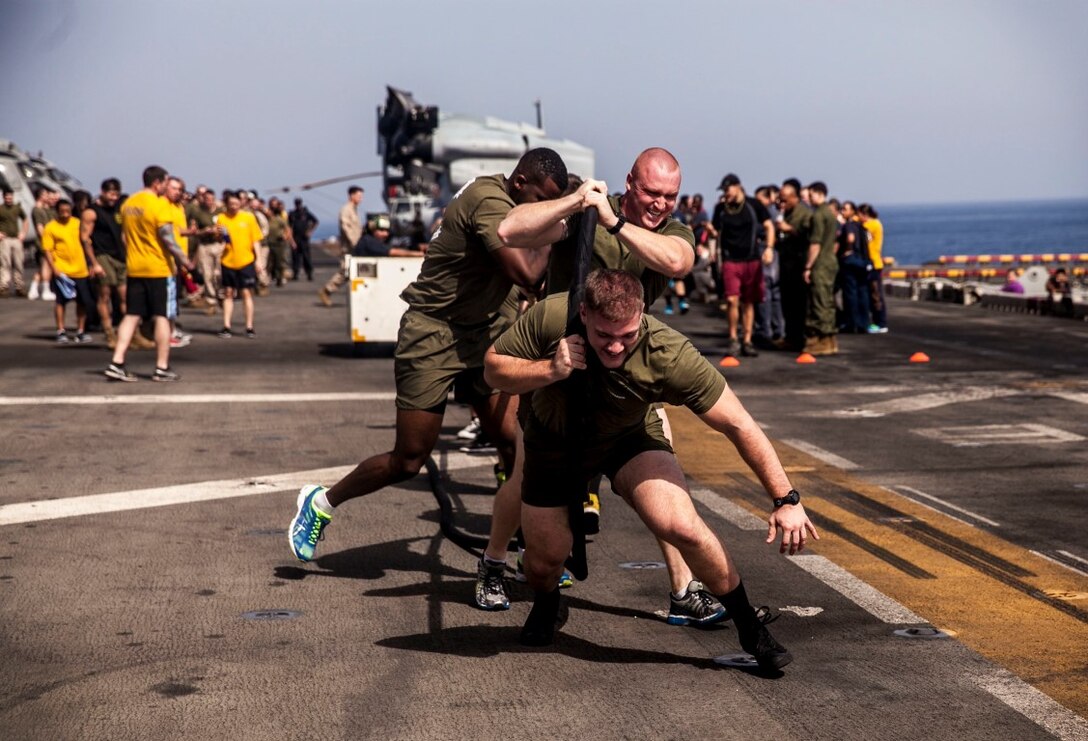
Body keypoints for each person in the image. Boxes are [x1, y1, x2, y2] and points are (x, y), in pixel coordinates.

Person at [484, 269, 816, 667]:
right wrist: (550, 369)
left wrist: (785, 499)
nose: (615, 347)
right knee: (543, 564)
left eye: (626, 335)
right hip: (553, 444)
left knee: (682, 525)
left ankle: (749, 625)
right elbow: (492, 368)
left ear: (641, 313)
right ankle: (547, 600)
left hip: (627, 439)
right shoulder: (554, 316)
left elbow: (738, 423)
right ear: (584, 313)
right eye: (604, 335)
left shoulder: (668, 352)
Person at [476, 148, 730, 627]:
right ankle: (492, 562)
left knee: (662, 470)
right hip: (563, 362)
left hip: (624, 367)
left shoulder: (668, 231)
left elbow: (678, 263)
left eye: (670, 196)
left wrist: (617, 224)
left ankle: (682, 588)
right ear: (630, 182)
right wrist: (577, 203)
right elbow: (509, 231)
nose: (660, 203)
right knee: (526, 470)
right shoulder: (587, 213)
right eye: (651, 192)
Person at [288, 148, 569, 564]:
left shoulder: (513, 198)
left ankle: (529, 549)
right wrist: (561, 223)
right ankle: (321, 502)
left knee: (513, 444)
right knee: (408, 460)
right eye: (540, 200)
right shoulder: (489, 201)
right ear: (519, 183)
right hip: (433, 333)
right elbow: (527, 274)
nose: (543, 209)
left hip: (485, 331)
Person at [104, 165, 194, 383]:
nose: (166, 187)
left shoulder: (129, 204)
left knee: (132, 315)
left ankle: (117, 361)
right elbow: (168, 238)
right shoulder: (158, 205)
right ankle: (161, 367)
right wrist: (185, 261)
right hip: (158, 268)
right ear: (157, 183)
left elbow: (125, 237)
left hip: (135, 267)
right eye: (165, 183)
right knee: (161, 316)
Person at [709, 174, 774, 357]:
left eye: (727, 189)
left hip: (752, 259)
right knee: (732, 300)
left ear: (738, 187)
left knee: (748, 302)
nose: (725, 193)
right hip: (730, 260)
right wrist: (710, 236)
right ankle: (733, 339)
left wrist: (769, 248)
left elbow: (769, 226)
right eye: (723, 190)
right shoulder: (721, 209)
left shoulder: (754, 205)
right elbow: (716, 231)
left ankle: (747, 340)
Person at [79, 178, 126, 347]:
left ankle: (129, 333)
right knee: (104, 296)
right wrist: (94, 263)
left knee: (125, 296)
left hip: (120, 257)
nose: (114, 198)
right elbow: (85, 239)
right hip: (102, 256)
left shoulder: (119, 209)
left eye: (116, 194)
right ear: (103, 192)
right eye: (111, 194)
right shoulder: (91, 212)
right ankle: (109, 333)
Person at [41, 199, 95, 343]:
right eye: (62, 211)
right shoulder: (51, 227)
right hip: (62, 271)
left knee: (82, 302)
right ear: (57, 211)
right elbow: (47, 250)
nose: (65, 214)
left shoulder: (78, 224)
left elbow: (86, 243)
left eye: (67, 211)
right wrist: (54, 268)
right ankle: (61, 330)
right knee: (61, 302)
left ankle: (80, 331)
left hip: (81, 270)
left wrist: (91, 264)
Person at [214, 191, 263, 338]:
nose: (234, 206)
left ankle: (249, 326)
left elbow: (256, 240)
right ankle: (226, 326)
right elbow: (219, 239)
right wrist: (219, 234)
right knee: (228, 293)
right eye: (231, 204)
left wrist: (259, 259)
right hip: (228, 260)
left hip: (246, 260)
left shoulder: (248, 217)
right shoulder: (221, 218)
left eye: (236, 203)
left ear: (241, 203)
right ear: (226, 204)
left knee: (246, 293)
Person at [775, 180, 813, 351]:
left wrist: (789, 229)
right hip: (786, 263)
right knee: (787, 302)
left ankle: (801, 338)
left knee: (800, 303)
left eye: (784, 199)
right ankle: (790, 336)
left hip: (799, 263)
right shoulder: (785, 212)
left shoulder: (804, 213)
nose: (781, 202)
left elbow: (809, 237)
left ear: (794, 197)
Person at [804, 182, 839, 355]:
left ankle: (823, 340)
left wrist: (808, 266)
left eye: (811, 195)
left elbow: (815, 244)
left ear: (819, 194)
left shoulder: (818, 215)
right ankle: (830, 340)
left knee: (819, 302)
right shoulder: (830, 213)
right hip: (830, 261)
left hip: (821, 263)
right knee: (828, 301)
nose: (809, 199)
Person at [318, 185, 364, 306]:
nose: (361, 199)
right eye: (359, 196)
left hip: (354, 247)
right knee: (345, 271)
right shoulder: (346, 210)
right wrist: (355, 243)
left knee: (351, 271)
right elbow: (346, 228)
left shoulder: (354, 210)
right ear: (351, 195)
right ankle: (327, 290)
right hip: (349, 247)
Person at [753, 185, 785, 345]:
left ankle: (764, 329)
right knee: (774, 291)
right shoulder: (775, 212)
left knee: (765, 290)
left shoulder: (765, 213)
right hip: (772, 250)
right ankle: (778, 328)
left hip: (764, 249)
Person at [836, 201, 870, 334]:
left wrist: (848, 250)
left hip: (851, 262)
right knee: (862, 292)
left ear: (852, 212)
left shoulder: (849, 225)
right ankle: (864, 323)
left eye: (845, 209)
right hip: (862, 261)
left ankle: (852, 323)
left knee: (850, 293)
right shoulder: (860, 226)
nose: (842, 211)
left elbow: (850, 238)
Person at [859, 203, 887, 333]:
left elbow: (861, 227)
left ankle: (881, 323)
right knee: (873, 294)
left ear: (864, 214)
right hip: (872, 262)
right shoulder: (874, 223)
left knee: (876, 295)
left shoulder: (873, 224)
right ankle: (878, 322)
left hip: (874, 263)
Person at [28, 186, 57, 301]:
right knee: (46, 266)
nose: (47, 196)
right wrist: (48, 240)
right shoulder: (37, 210)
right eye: (45, 195)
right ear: (40, 196)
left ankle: (33, 289)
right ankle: (45, 290)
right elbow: (40, 228)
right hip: (44, 242)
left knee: (44, 267)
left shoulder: (43, 209)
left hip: (46, 241)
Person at [0, 188, 29, 296]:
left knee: (19, 263)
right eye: (7, 197)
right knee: (5, 263)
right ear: (4, 197)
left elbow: (25, 220)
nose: (9, 199)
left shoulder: (17, 208)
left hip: (16, 239)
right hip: (5, 239)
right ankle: (4, 286)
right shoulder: (1, 208)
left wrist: (23, 233)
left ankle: (19, 287)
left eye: (10, 196)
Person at [351, 214, 423, 257]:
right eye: (381, 230)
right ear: (373, 230)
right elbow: (392, 252)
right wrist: (418, 254)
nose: (385, 234)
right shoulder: (368, 241)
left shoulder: (373, 240)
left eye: (387, 231)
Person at [266, 197, 294, 285]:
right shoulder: (267, 219)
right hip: (269, 242)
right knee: (270, 262)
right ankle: (272, 276)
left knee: (280, 261)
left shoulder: (279, 219)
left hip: (278, 243)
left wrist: (286, 237)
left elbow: (288, 229)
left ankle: (279, 277)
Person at [289, 197, 318, 281]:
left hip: (304, 239)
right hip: (295, 238)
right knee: (295, 257)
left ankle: (309, 273)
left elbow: (315, 221)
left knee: (306, 257)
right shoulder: (292, 214)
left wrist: (310, 231)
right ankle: (295, 273)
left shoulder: (306, 213)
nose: (298, 205)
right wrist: (291, 240)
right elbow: (289, 226)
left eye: (299, 203)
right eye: (296, 204)